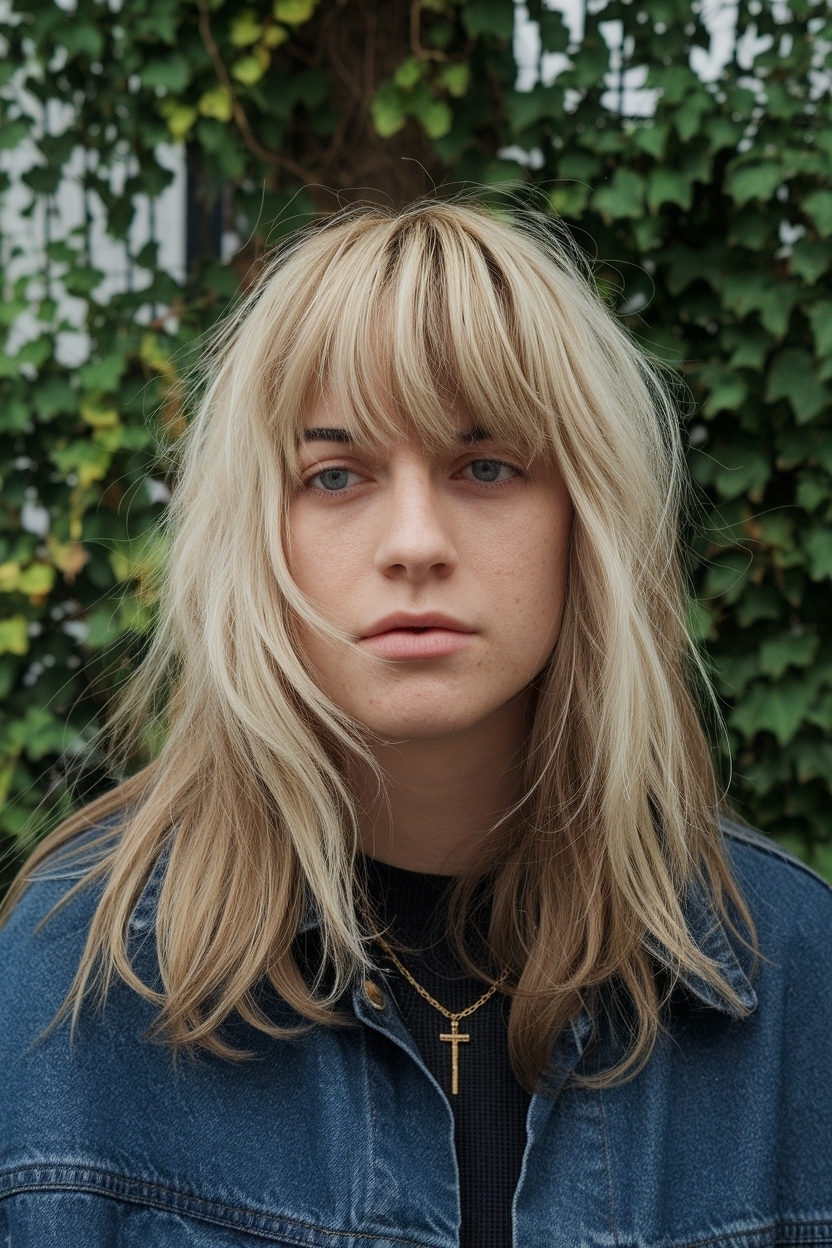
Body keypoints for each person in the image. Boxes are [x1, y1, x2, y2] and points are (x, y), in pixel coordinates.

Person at [1, 200, 830, 1248]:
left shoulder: (789, 974)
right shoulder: (80, 971)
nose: (414, 543)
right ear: (259, 533)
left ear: (585, 519)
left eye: (485, 467)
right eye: (335, 475)